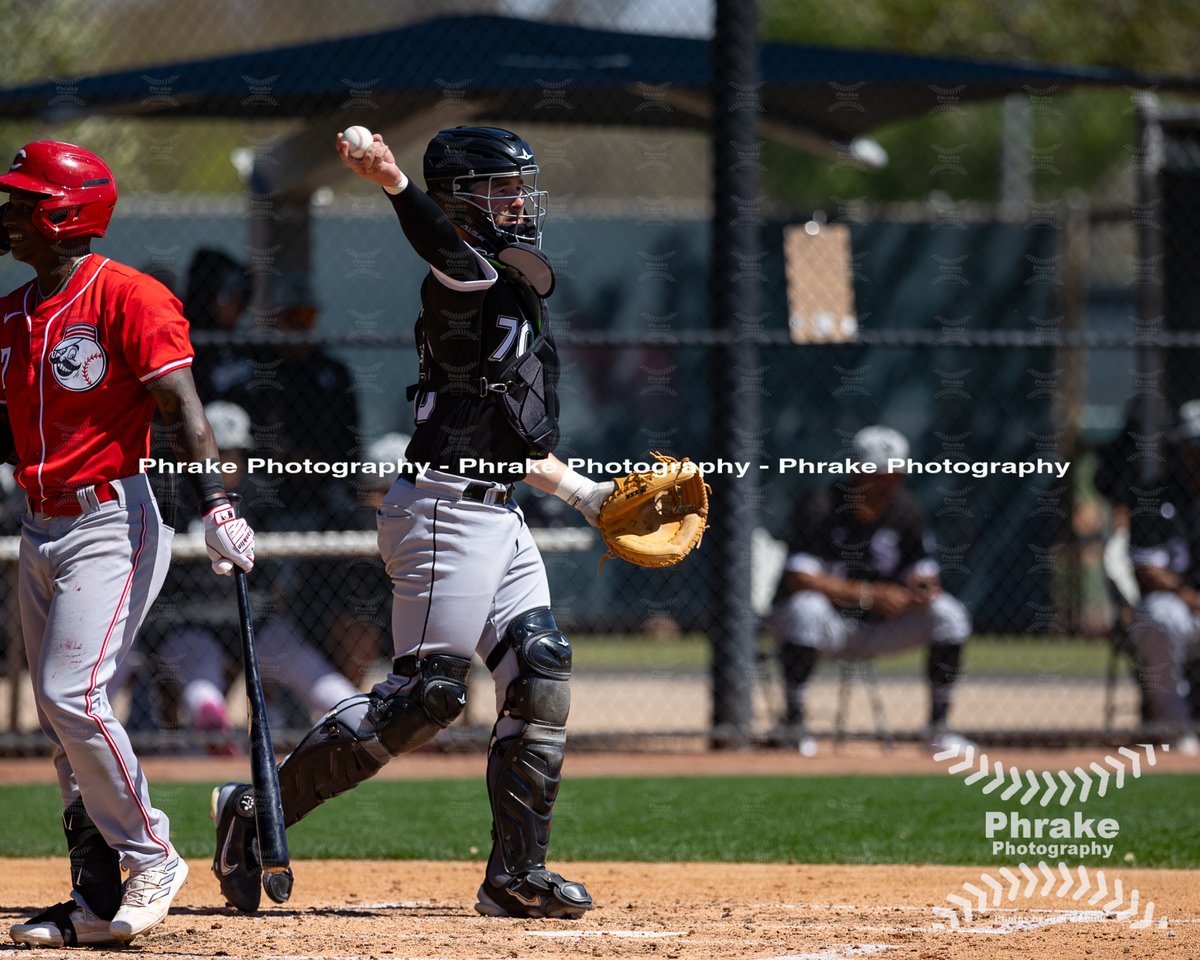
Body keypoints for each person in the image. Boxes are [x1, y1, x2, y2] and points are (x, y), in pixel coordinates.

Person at [211, 125, 615, 919]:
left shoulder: (511, 287)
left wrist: (589, 499)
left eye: (519, 190)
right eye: (499, 191)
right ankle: (254, 815)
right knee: (426, 697)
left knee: (540, 666)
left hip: (496, 514)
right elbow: (443, 244)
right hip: (442, 512)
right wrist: (397, 182)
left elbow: (507, 435)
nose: (518, 204)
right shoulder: (460, 274)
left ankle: (514, 876)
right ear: (460, 201)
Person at [0, 140, 255, 946]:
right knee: (58, 713)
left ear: (63, 214)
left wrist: (218, 506)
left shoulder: (129, 297)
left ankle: (153, 856)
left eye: (21, 201)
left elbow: (181, 408)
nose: (7, 213)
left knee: (73, 694)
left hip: (113, 519)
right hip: (39, 523)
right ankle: (96, 901)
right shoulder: (11, 313)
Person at [137, 401, 359, 745]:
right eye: (217, 453)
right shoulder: (176, 494)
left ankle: (368, 721)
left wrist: (273, 601)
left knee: (309, 669)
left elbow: (272, 575)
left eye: (233, 454)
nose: (226, 463)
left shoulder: (257, 493)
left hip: (252, 620)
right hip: (188, 621)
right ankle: (214, 737)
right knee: (203, 679)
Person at [769, 426, 972, 754]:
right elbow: (799, 578)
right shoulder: (821, 507)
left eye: (895, 475)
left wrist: (920, 591)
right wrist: (870, 595)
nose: (887, 484)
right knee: (806, 608)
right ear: (856, 472)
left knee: (949, 614)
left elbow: (924, 574)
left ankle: (938, 730)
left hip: (881, 626)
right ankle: (794, 724)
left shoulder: (906, 511)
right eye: (878, 475)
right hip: (827, 626)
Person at [1127, 399, 1200, 752]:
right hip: (1180, 610)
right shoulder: (1155, 495)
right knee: (1161, 615)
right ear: (1183, 448)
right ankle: (1175, 729)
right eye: (1196, 444)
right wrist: (1188, 595)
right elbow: (1148, 569)